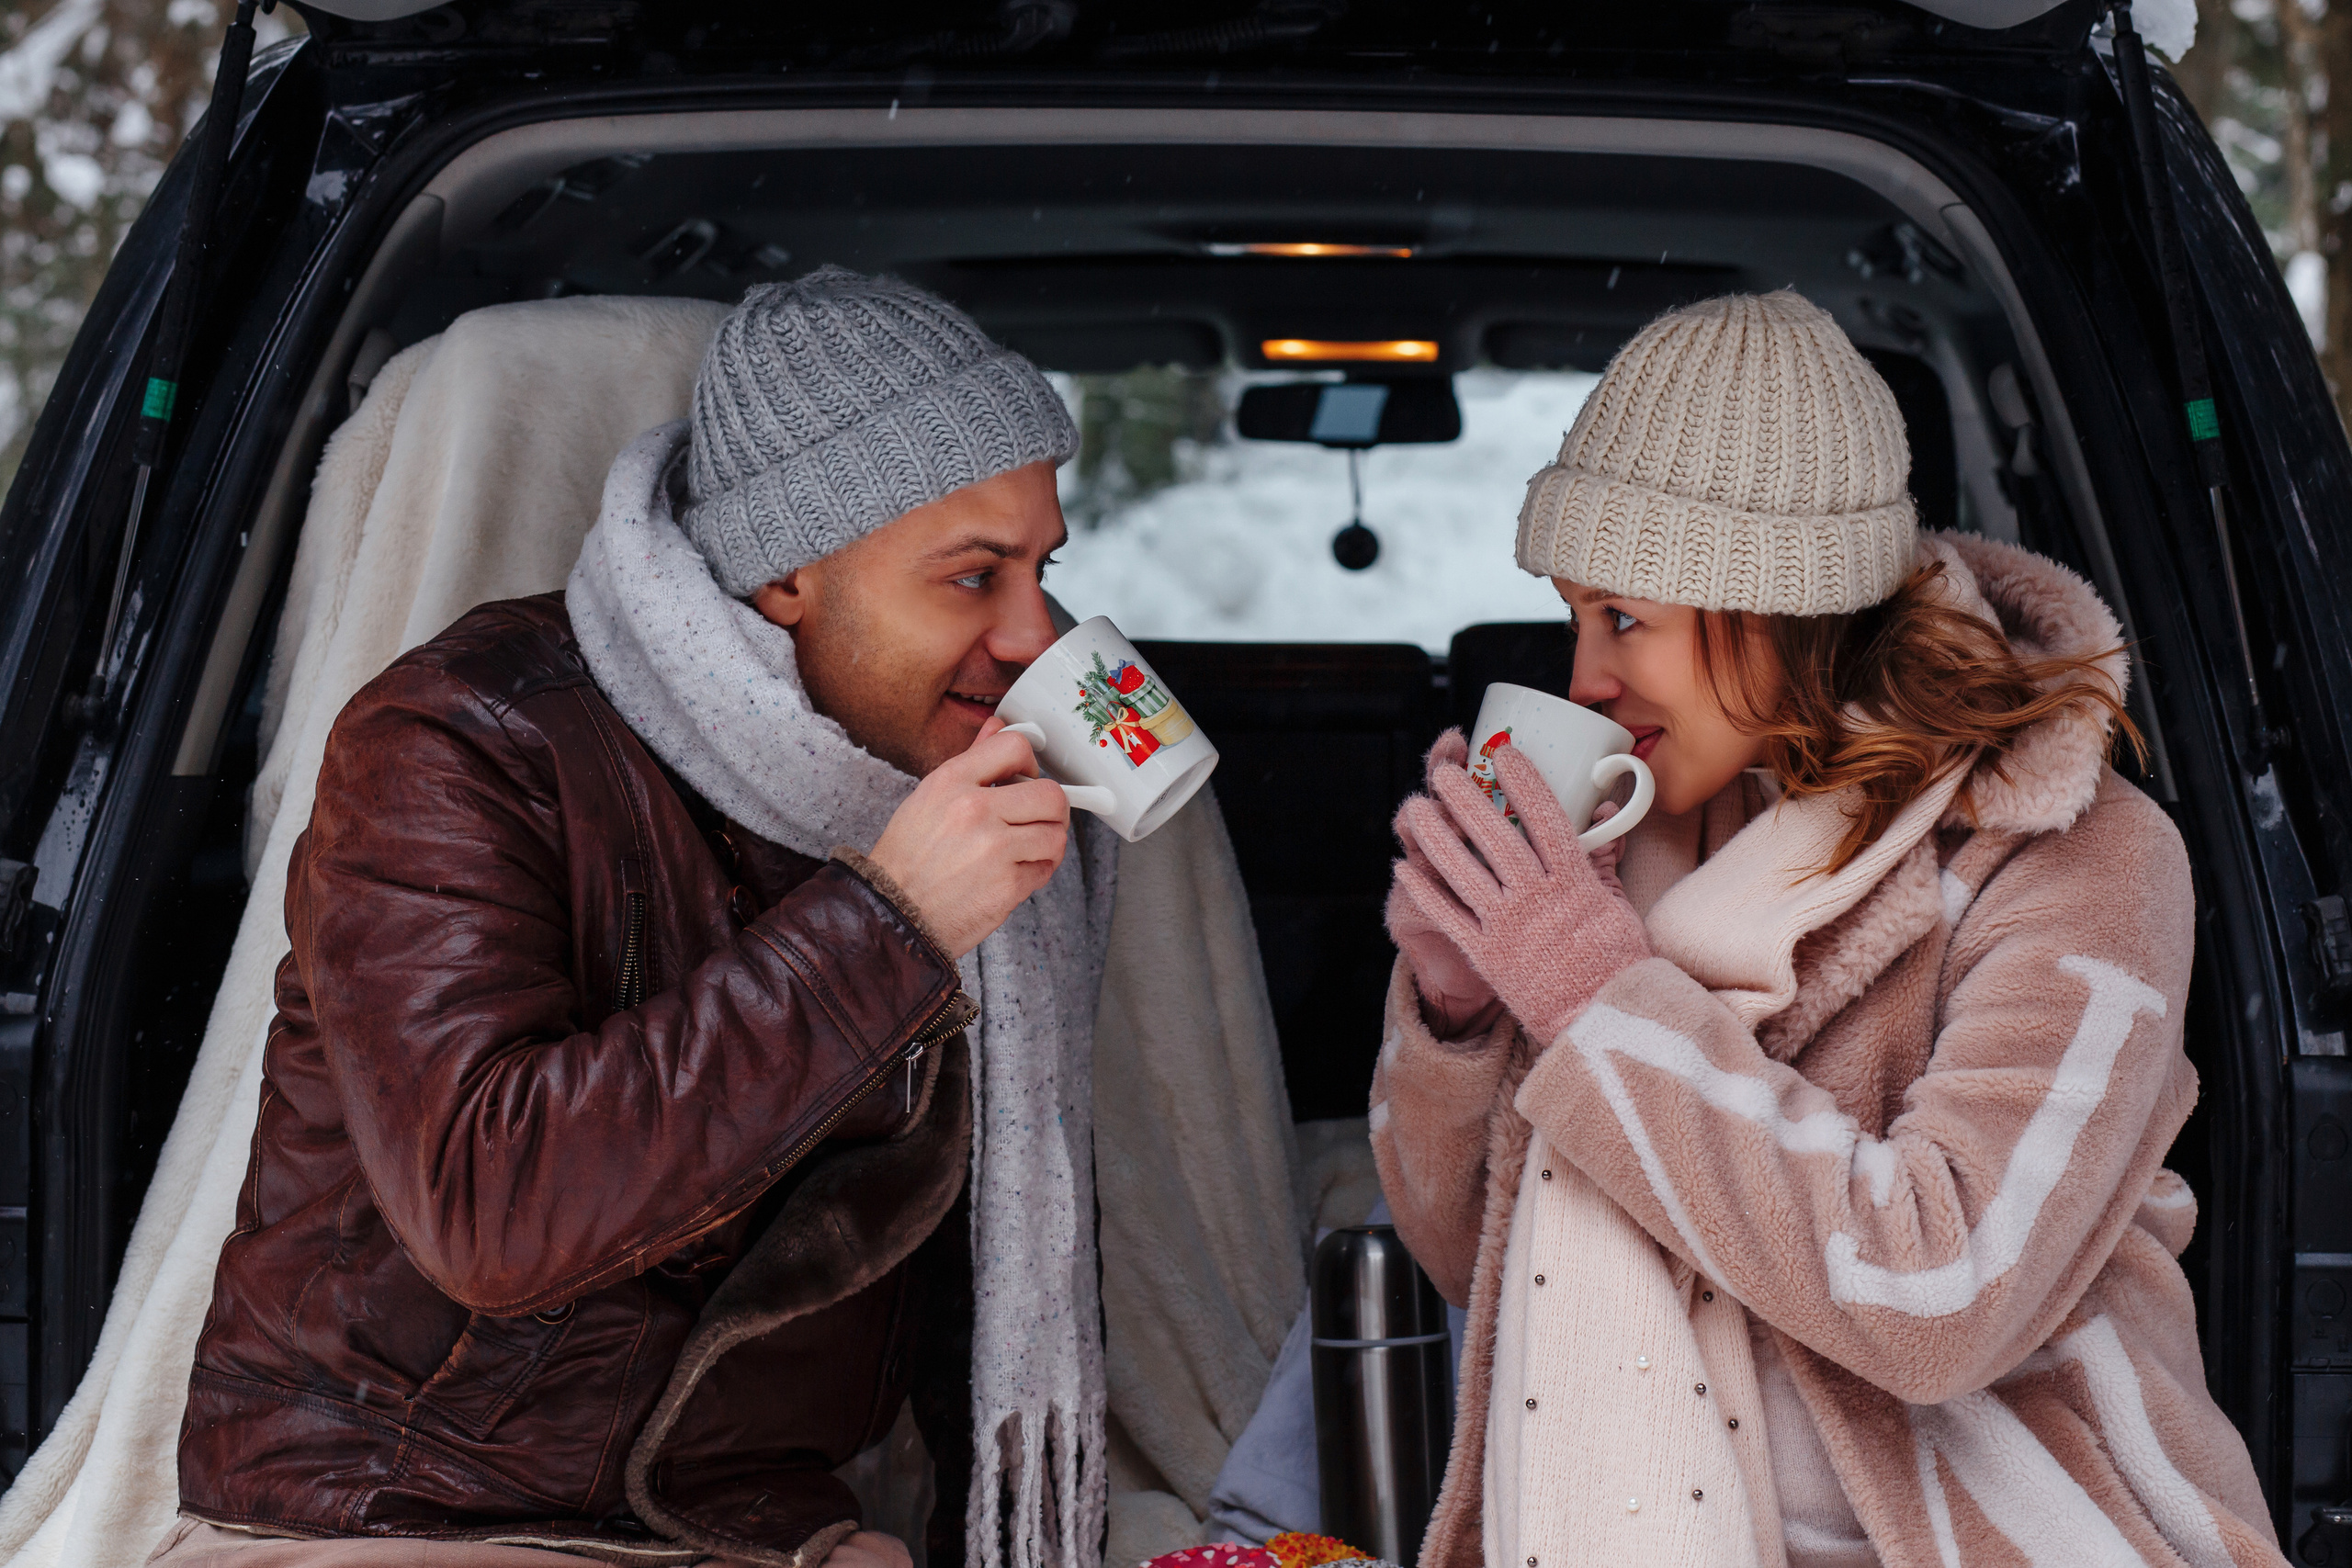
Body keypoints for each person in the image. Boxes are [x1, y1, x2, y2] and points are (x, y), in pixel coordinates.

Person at [160, 269, 1136, 1568]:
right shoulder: (462, 737)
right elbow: (488, 1211)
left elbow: (988, 1240)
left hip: (746, 1520)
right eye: (974, 578)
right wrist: (890, 924)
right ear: (791, 577)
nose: (1036, 633)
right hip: (417, 1509)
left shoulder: (934, 772)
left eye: (1044, 569)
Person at [1372, 292, 2287, 1566]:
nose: (1583, 679)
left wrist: (1593, 997)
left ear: (1776, 605)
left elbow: (1945, 1296)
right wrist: (1463, 1012)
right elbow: (1481, 1264)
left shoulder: (2081, 856)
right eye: (1576, 615)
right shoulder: (1625, 837)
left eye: (1625, 620)